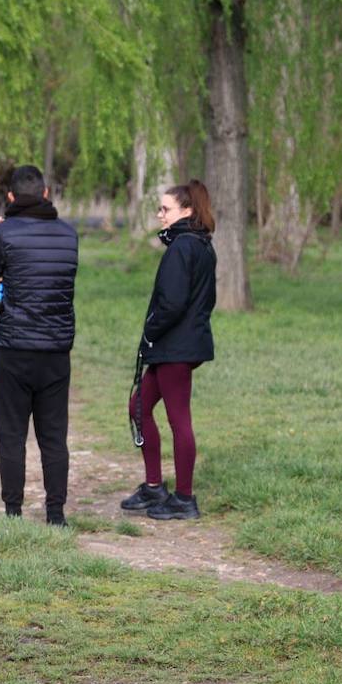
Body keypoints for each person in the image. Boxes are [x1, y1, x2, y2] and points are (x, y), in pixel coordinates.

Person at [0, 165, 78, 526]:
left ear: (11, 198)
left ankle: (13, 513)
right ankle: (56, 515)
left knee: (11, 435)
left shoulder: (4, 235)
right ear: (46, 194)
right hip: (56, 354)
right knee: (53, 437)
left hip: (14, 352)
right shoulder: (69, 235)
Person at [121, 180, 217, 520]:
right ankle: (153, 487)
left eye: (166, 209)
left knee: (179, 419)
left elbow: (172, 303)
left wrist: (151, 332)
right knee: (139, 406)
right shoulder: (201, 245)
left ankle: (185, 498)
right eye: (160, 209)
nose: (160, 215)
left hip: (175, 346)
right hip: (177, 345)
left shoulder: (182, 247)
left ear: (187, 211)